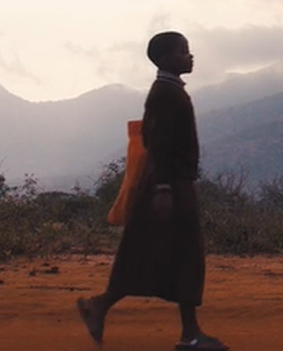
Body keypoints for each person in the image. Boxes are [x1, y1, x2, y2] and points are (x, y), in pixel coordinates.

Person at [77, 31, 228, 351]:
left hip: (169, 185)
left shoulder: (170, 91)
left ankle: (100, 305)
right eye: (183, 51)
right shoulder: (165, 94)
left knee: (148, 254)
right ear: (164, 59)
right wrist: (162, 188)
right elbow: (156, 142)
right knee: (184, 255)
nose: (190, 57)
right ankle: (189, 335)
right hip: (169, 186)